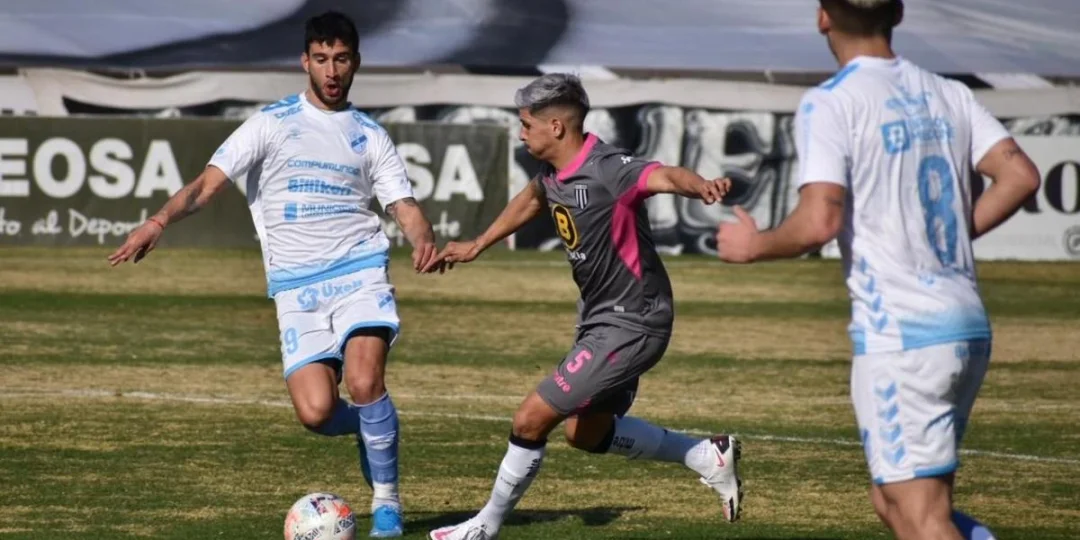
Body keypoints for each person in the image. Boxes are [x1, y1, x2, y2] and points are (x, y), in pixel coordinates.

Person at [106, 11, 442, 538]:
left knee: (364, 381)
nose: (332, 70)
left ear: (356, 63)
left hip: (359, 273)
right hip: (296, 288)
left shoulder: (369, 135)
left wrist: (422, 238)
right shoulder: (271, 123)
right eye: (322, 59)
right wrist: (158, 221)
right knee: (316, 413)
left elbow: (404, 205)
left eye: (342, 59)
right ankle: (373, 427)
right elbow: (207, 184)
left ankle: (386, 503)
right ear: (305, 61)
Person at [715, 1, 1042, 539]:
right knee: (893, 502)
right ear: (899, 14)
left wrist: (754, 245)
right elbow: (1021, 176)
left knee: (921, 516)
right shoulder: (948, 92)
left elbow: (819, 221)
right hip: (964, 323)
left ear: (823, 17)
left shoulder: (833, 101)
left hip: (903, 335)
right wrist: (948, 237)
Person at [422, 73, 744, 540]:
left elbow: (664, 175)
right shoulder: (552, 174)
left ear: (555, 126)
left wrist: (701, 186)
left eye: (526, 124)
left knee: (530, 418)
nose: (521, 132)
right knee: (585, 434)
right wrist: (477, 244)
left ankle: (483, 527)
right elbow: (533, 198)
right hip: (600, 318)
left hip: (633, 321)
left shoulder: (608, 168)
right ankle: (706, 456)